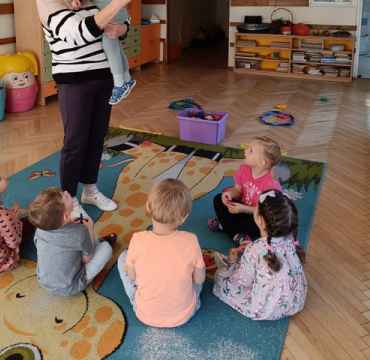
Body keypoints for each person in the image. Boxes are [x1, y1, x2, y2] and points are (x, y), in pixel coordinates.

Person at [33, 0, 139, 218]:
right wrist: (115, 3)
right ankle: (68, 199)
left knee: (96, 137)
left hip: (103, 76)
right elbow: (77, 33)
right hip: (75, 82)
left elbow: (117, 22)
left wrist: (123, 28)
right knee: (75, 142)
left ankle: (90, 190)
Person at [117, 179, 205, 328]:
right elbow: (199, 280)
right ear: (184, 217)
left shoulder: (137, 239)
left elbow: (132, 276)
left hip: (145, 314)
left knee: (122, 258)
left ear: (148, 206)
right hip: (185, 314)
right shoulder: (191, 240)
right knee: (196, 270)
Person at [213, 189, 307, 321]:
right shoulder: (290, 237)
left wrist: (232, 264)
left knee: (220, 278)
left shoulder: (255, 249)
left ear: (260, 220)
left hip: (267, 309)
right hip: (295, 301)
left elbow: (242, 281)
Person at [28, 187, 116, 296]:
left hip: (44, 282)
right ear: (65, 216)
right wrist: (89, 227)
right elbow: (87, 259)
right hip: (71, 286)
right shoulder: (79, 231)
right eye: (65, 196)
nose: (66, 192)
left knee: (81, 246)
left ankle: (91, 245)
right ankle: (101, 244)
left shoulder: (40, 229)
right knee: (106, 249)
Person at [208, 136, 282, 242]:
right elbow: (238, 190)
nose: (245, 151)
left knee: (263, 225)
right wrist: (230, 194)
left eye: (251, 150)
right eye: (248, 147)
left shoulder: (272, 185)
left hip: (256, 215)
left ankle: (228, 228)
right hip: (241, 208)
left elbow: (266, 212)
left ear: (263, 162)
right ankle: (234, 231)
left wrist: (244, 209)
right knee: (218, 199)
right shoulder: (243, 169)